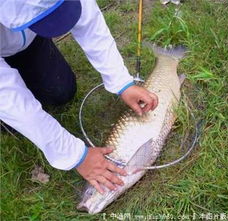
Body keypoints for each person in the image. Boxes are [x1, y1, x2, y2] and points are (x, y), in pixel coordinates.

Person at [0, 0, 158, 194]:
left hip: (30, 41)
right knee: (12, 120)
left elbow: (89, 21)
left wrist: (121, 82)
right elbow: (9, 99)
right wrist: (76, 156)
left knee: (61, 91)